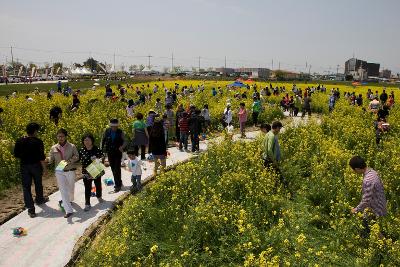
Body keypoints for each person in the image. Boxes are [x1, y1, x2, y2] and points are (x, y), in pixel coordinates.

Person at [13, 123, 48, 218]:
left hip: (24, 166)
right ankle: (40, 200)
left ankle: (31, 209)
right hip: (36, 166)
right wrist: (45, 169)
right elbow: (41, 157)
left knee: (26, 187)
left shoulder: (19, 140)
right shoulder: (38, 141)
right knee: (38, 183)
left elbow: (16, 155)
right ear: (35, 131)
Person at [349, 156, 387, 237]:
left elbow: (366, 200)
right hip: (379, 202)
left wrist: (356, 209)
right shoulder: (372, 171)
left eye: (353, 170)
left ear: (357, 169)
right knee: (369, 225)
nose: (353, 172)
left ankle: (387, 245)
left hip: (376, 206)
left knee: (373, 228)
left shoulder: (368, 180)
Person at [48, 129, 79, 218]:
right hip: (59, 171)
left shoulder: (72, 146)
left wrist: (69, 161)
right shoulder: (54, 147)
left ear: (66, 137)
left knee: (71, 188)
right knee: (63, 190)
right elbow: (51, 159)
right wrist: (47, 160)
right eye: (58, 136)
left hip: (70, 170)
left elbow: (76, 156)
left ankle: (70, 199)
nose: (60, 138)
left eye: (62, 136)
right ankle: (68, 210)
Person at [78, 133, 104, 211]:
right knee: (87, 188)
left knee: (98, 185)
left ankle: (99, 196)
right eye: (85, 140)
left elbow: (102, 157)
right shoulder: (81, 150)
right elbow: (77, 159)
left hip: (96, 169)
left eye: (88, 140)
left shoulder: (96, 149)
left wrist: (97, 159)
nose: (87, 142)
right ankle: (87, 203)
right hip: (86, 172)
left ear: (92, 141)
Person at [101, 119, 127, 192]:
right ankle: (119, 181)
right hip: (110, 152)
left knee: (117, 168)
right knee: (113, 168)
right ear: (110, 126)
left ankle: (117, 185)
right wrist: (102, 151)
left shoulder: (120, 132)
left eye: (116, 126)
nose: (114, 128)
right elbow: (102, 141)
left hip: (118, 152)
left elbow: (125, 141)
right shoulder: (106, 131)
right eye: (113, 126)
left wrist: (122, 147)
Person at [262, 121, 285, 186]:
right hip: (270, 160)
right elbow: (269, 150)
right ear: (277, 128)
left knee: (270, 176)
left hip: (266, 159)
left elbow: (263, 145)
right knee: (278, 177)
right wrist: (274, 160)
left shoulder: (268, 134)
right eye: (279, 129)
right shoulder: (272, 136)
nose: (279, 131)